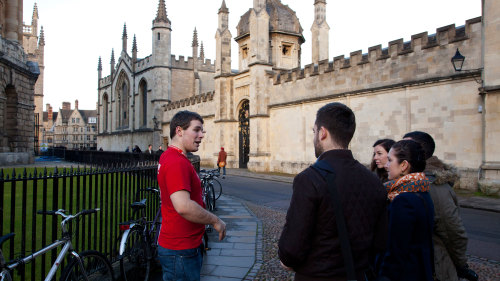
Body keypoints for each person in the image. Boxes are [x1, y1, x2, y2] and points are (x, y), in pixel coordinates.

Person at [278, 102, 388, 280]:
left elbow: (291, 249)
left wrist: (287, 260)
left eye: (314, 132)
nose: (314, 137)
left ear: (322, 133)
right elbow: (380, 243)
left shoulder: (309, 179)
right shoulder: (374, 181)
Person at [157, 110, 226, 281]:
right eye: (196, 130)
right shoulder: (176, 162)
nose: (201, 135)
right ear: (179, 131)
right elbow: (183, 206)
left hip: (181, 248)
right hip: (181, 250)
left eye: (202, 131)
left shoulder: (171, 156)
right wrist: (215, 220)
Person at [403, 131, 477, 281]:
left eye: (405, 147)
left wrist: (461, 266)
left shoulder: (433, 186)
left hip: (434, 267)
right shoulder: (412, 181)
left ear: (420, 153)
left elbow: (453, 232)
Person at [379, 140, 434, 281]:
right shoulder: (422, 190)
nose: (386, 165)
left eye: (390, 160)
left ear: (403, 165)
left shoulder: (403, 200)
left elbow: (396, 251)